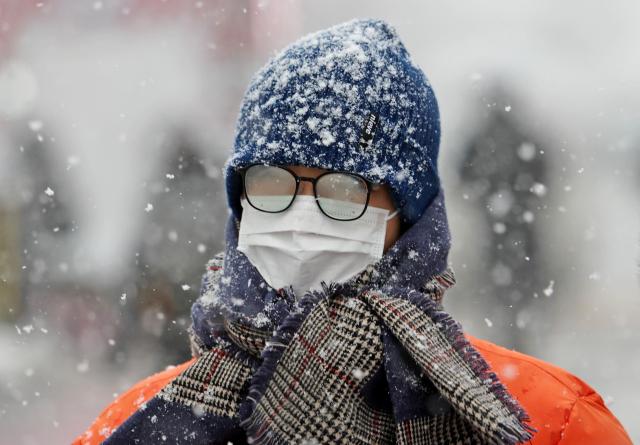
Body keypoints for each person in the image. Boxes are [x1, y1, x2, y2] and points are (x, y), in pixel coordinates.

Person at [74, 18, 631, 445]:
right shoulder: (140, 423)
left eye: (343, 190)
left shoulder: (549, 424)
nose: (300, 215)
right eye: (272, 183)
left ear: (410, 220)